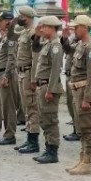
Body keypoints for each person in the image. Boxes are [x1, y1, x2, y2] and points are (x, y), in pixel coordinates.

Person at [61, 15, 91, 176]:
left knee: (88, 128)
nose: (74, 30)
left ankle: (87, 162)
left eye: (76, 27)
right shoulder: (80, 44)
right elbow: (69, 51)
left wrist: (88, 98)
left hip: (84, 90)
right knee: (81, 127)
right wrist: (64, 39)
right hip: (76, 89)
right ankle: (82, 158)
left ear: (84, 27)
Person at [32, 15, 65, 164]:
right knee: (44, 119)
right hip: (43, 85)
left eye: (44, 27)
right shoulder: (48, 44)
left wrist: (50, 90)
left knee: (50, 119)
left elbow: (55, 69)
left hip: (49, 87)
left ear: (51, 28)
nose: (41, 29)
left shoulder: (56, 46)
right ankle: (48, 148)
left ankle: (52, 151)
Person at [13, 7, 41, 154]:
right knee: (26, 108)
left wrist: (33, 78)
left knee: (32, 107)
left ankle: (34, 141)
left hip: (29, 73)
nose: (19, 18)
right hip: (21, 73)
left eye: (21, 16)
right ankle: (29, 138)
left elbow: (36, 57)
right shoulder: (24, 32)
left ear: (28, 17)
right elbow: (11, 34)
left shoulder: (34, 33)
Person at [0, 12, 18, 146]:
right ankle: (7, 133)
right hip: (0, 73)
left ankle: (10, 135)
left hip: (5, 74)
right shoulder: (5, 36)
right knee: (5, 106)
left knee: (9, 106)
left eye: (1, 21)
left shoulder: (11, 37)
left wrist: (6, 75)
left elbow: (11, 58)